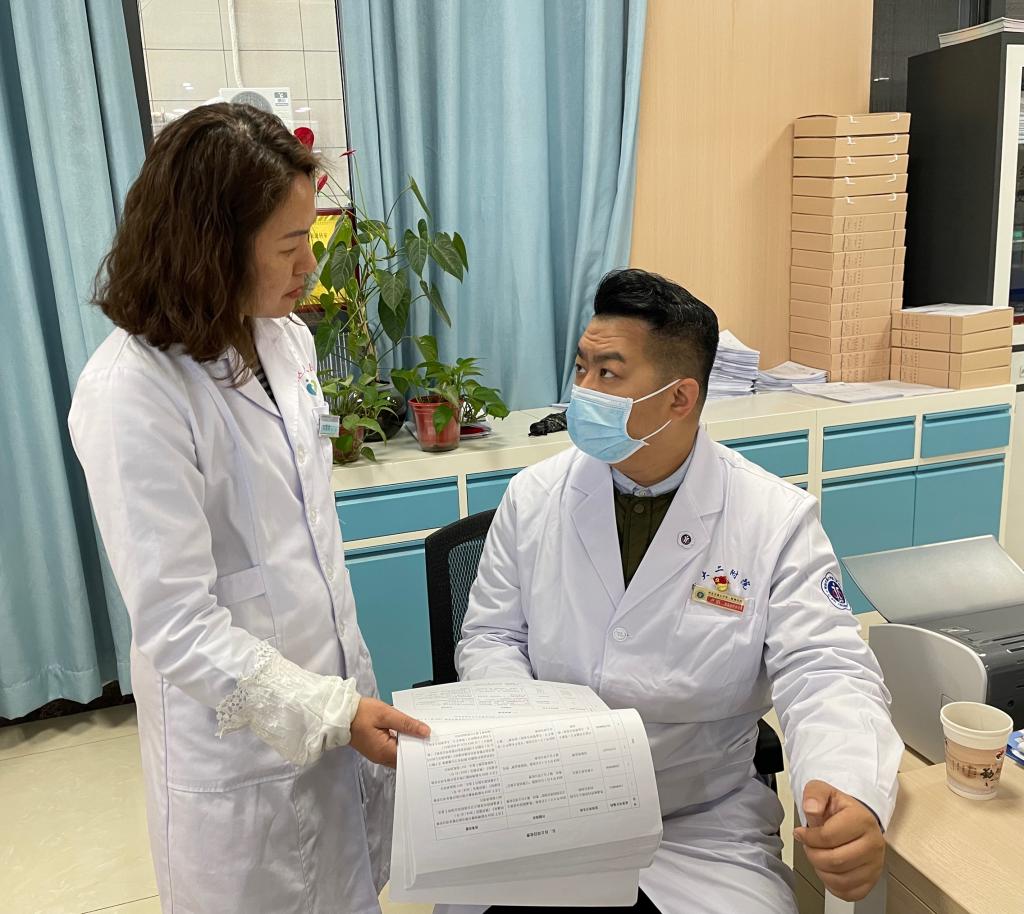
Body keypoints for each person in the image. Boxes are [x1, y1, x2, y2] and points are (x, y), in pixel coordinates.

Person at [68, 104, 429, 914]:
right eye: (290, 245)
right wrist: (328, 710)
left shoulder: (283, 340)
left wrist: (339, 703)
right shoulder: (133, 392)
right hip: (235, 750)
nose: (311, 264)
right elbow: (176, 622)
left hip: (327, 694)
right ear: (213, 248)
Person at [456, 270, 903, 914]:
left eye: (609, 374)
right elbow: (493, 636)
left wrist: (850, 786)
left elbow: (825, 669)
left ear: (679, 398)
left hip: (698, 824)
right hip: (545, 811)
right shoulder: (534, 496)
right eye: (581, 368)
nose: (582, 392)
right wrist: (532, 736)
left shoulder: (773, 520)